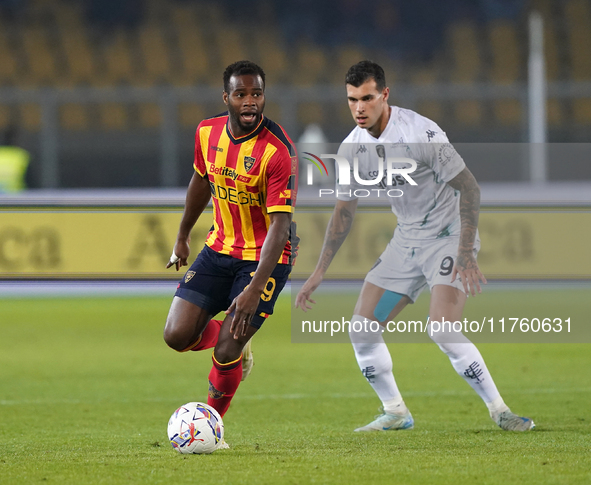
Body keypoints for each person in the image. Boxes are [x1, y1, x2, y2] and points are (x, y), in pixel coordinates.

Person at [295, 60, 534, 432]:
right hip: (406, 242)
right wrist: (318, 273)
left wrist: (466, 252)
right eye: (352, 100)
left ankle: (500, 411)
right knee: (362, 329)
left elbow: (469, 187)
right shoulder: (351, 149)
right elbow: (343, 213)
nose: (359, 108)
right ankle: (395, 412)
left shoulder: (420, 133)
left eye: (368, 98)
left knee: (441, 329)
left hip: (447, 237)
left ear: (385, 95)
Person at [164, 60, 298, 447]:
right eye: (241, 94)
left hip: (264, 257)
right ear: (227, 97)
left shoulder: (278, 151)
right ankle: (238, 342)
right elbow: (200, 181)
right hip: (219, 246)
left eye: (257, 94)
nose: (250, 102)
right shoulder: (207, 133)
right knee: (176, 335)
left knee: (226, 350)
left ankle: (210, 431)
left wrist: (255, 288)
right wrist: (183, 236)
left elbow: (280, 226)